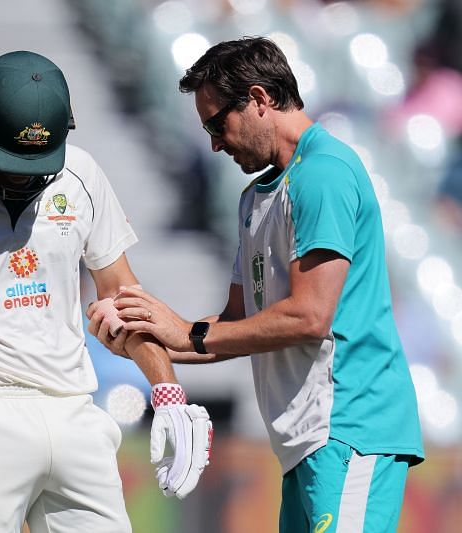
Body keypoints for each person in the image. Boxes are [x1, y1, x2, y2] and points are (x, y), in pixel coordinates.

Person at [89, 37, 424, 532]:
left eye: (216, 122)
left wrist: (189, 335)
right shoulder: (256, 196)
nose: (213, 143)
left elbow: (310, 317)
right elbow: (239, 324)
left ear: (260, 98)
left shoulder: (324, 173)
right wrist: (151, 340)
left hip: (350, 427)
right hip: (307, 441)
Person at [0, 50, 212, 532]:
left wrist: (168, 390)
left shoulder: (81, 173)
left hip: (73, 410)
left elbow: (122, 294)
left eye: (37, 162)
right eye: (13, 161)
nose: (26, 177)